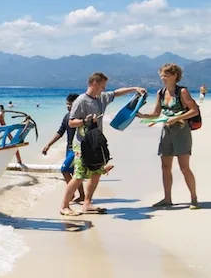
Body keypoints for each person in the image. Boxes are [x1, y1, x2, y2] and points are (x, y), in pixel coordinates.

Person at [59, 72, 146, 217]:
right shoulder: (80, 101)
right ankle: (64, 206)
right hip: (82, 143)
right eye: (102, 86)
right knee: (79, 175)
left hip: (97, 143)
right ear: (94, 83)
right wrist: (85, 121)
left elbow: (116, 93)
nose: (104, 89)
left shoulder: (102, 97)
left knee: (97, 173)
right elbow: (71, 122)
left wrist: (134, 89)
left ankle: (87, 204)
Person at [136, 63, 199, 209]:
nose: (163, 78)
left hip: (181, 131)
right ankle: (167, 198)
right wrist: (140, 114)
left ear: (174, 75)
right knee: (165, 166)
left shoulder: (182, 92)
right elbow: (156, 114)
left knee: (184, 167)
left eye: (166, 75)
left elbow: (194, 110)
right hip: (166, 131)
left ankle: (194, 198)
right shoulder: (161, 92)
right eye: (161, 75)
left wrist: (176, 118)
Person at [42, 93, 84, 203]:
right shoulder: (67, 117)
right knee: (76, 173)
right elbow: (60, 132)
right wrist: (48, 144)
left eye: (71, 104)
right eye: (67, 104)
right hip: (69, 148)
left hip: (77, 149)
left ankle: (71, 193)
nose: (68, 106)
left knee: (64, 170)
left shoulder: (81, 118)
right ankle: (82, 195)